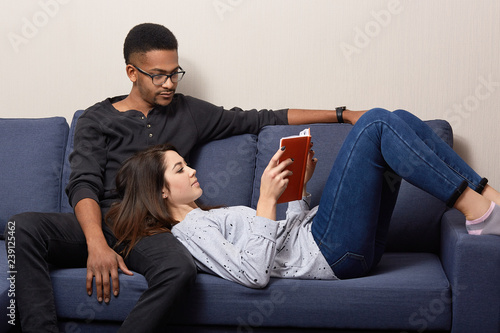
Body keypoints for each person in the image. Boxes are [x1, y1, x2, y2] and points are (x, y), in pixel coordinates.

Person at [6, 23, 364, 332]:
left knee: (179, 271)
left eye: (175, 72)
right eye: (158, 75)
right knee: (19, 228)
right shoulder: (96, 119)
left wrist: (341, 113)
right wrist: (96, 244)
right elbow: (82, 183)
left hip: (151, 227)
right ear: (132, 72)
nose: (169, 83)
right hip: (103, 220)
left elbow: (260, 118)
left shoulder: (189, 112)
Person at [107, 108, 500, 289]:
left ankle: (487, 198)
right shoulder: (188, 232)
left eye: (185, 164)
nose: (192, 170)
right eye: (179, 170)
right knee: (375, 123)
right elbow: (254, 274)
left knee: (401, 118)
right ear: (159, 191)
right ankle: (480, 211)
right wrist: (265, 199)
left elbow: (283, 240)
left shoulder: (207, 214)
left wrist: (299, 190)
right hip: (332, 255)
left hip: (331, 246)